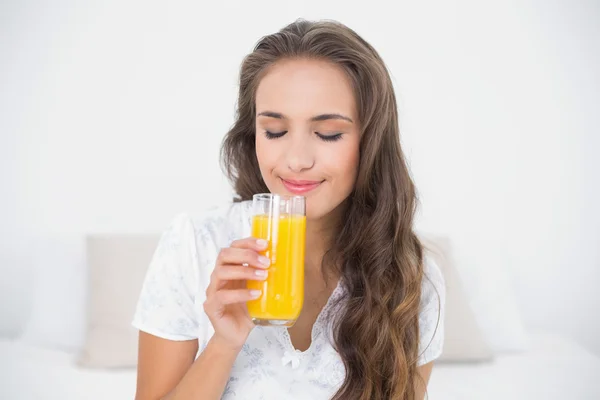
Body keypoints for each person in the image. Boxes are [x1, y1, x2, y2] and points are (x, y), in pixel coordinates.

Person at [132, 19, 445, 400]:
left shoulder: (411, 277)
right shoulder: (193, 244)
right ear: (253, 135)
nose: (296, 160)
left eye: (328, 133)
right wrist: (224, 343)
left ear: (371, 140)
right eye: (275, 131)